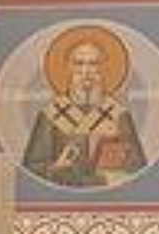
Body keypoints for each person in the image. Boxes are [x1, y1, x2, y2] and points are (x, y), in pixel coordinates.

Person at [19, 32, 146, 187]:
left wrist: (115, 144)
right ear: (68, 67)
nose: (86, 71)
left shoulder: (119, 115)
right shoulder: (50, 115)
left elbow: (138, 169)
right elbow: (31, 170)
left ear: (102, 68)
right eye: (79, 63)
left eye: (93, 64)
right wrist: (56, 167)